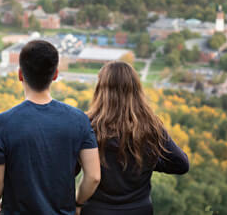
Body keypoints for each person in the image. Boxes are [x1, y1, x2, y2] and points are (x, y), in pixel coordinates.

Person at [0, 40, 101, 215]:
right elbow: (94, 177)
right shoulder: (79, 119)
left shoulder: (4, 122)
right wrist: (78, 203)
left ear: (20, 74)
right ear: (55, 74)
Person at [81, 61, 189, 215]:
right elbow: (181, 164)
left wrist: (77, 202)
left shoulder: (86, 124)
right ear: (136, 89)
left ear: (100, 90)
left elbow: (70, 170)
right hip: (139, 209)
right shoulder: (150, 126)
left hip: (97, 210)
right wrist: (146, 160)